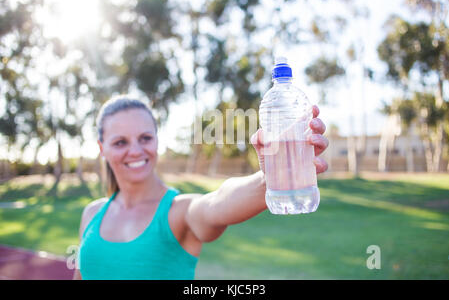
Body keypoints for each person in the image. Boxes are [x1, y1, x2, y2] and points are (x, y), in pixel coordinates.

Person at [73, 95, 329, 280]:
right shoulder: (91, 215)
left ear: (157, 140)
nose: (136, 151)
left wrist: (270, 177)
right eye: (120, 142)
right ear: (101, 148)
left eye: (145, 138)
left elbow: (217, 203)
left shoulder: (178, 212)